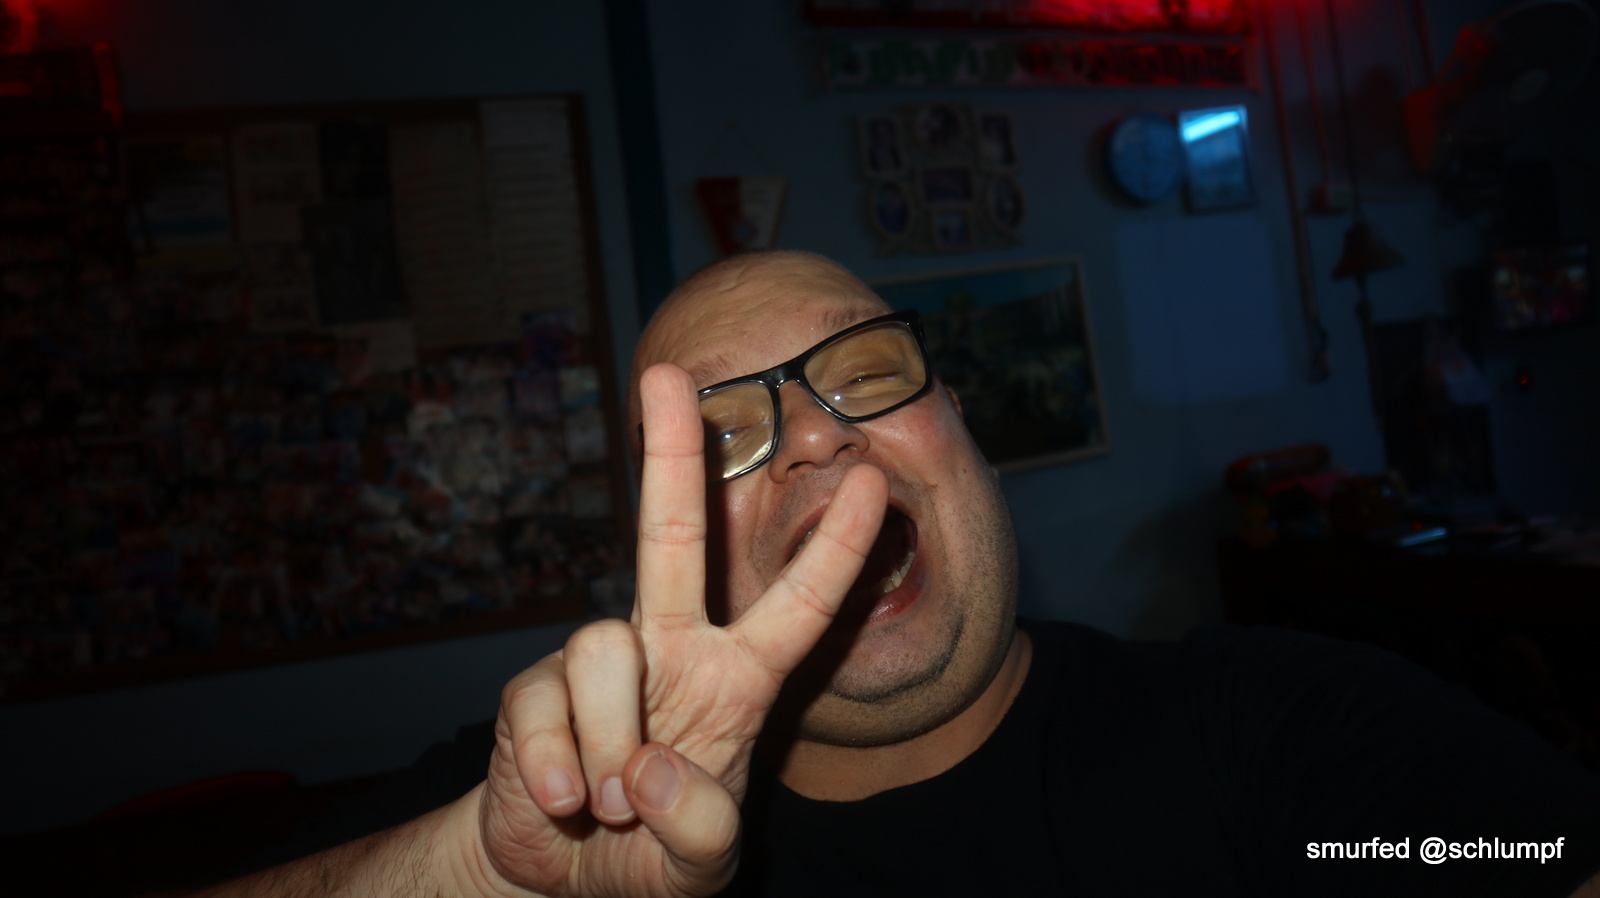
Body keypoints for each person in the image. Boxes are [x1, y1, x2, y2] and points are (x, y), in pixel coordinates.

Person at [198, 250, 1600, 897]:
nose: (816, 437)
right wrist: (477, 875)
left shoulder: (1284, 730)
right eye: (721, 432)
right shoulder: (548, 794)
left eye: (864, 375)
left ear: (966, 437)